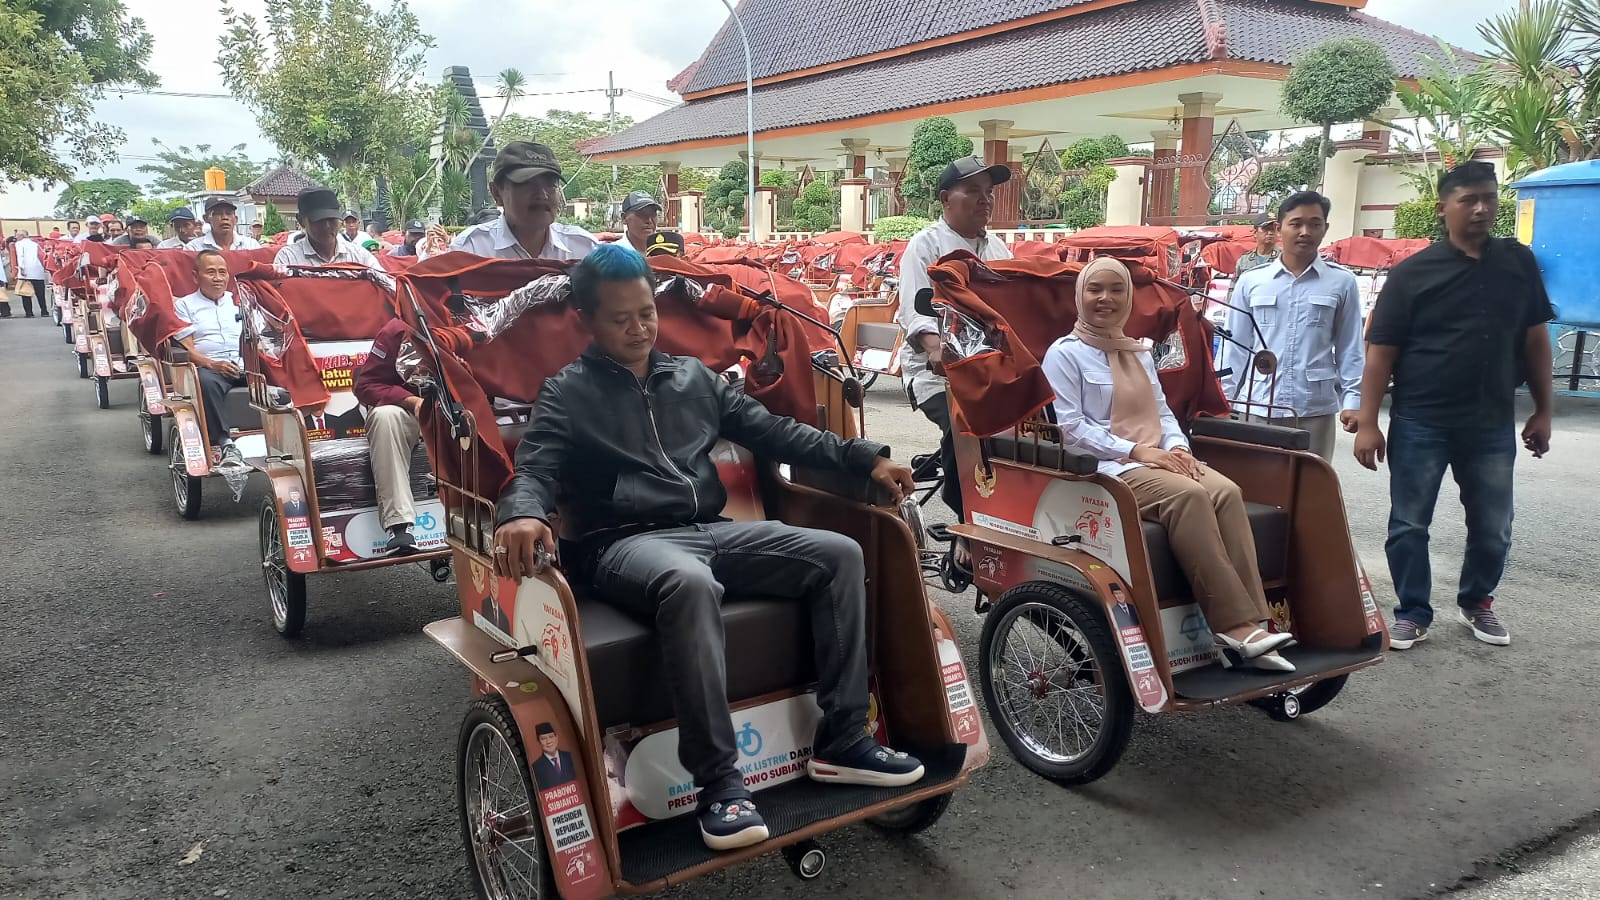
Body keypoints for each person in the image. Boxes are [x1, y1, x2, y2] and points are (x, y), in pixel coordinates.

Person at [493, 244, 925, 852]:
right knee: (688, 583)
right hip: (621, 544)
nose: (640, 328)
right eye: (621, 319)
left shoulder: (692, 378)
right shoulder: (566, 393)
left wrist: (866, 459)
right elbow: (533, 468)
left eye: (647, 313)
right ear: (587, 322)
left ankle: (844, 739)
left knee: (839, 554)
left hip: (711, 530)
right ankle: (720, 785)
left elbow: (776, 432)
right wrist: (522, 512)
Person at [1043, 256, 1295, 671]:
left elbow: (1162, 412)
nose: (1105, 298)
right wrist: (1136, 451)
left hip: (1158, 456)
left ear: (1128, 298)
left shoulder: (1139, 351)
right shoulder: (1064, 355)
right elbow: (1071, 429)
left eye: (1116, 290)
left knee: (1227, 491)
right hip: (1107, 467)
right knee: (1190, 496)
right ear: (1079, 295)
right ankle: (1232, 626)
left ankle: (1257, 623)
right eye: (1095, 289)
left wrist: (1178, 449)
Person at [1355, 161, 1555, 650]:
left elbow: (1535, 340)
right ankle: (1412, 611)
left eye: (1489, 198)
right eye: (1469, 200)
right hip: (1420, 418)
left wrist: (1544, 410)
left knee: (1493, 525)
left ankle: (1477, 600)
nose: (1482, 208)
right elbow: (1381, 352)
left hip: (1489, 422)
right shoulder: (1411, 274)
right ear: (1444, 208)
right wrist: (1367, 422)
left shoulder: (1518, 263)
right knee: (1409, 523)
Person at [896, 155, 1014, 528]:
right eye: (973, 191)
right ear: (946, 198)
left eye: (989, 192)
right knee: (965, 426)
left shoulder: (1000, 251)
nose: (985, 200)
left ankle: (1014, 512)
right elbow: (916, 312)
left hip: (992, 372)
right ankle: (969, 521)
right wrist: (935, 349)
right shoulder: (925, 246)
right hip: (939, 376)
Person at [1220, 191, 1364, 462]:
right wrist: (1222, 398)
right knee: (1257, 489)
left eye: (1314, 224)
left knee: (1310, 488)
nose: (1305, 231)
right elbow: (1234, 345)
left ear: (1325, 229)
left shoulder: (1341, 283)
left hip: (1313, 408)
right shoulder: (1252, 281)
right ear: (1279, 229)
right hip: (1259, 403)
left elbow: (1350, 347)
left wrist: (1353, 401)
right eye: (1296, 223)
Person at [447, 142, 599, 260]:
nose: (542, 195)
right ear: (496, 193)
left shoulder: (585, 249)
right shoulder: (470, 249)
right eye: (527, 183)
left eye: (550, 184)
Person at [353, 317, 427, 554]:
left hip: (458, 410)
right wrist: (411, 402)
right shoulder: (397, 330)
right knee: (384, 417)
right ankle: (400, 527)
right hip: (414, 413)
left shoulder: (472, 321)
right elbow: (366, 385)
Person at [173, 250, 249, 468]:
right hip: (210, 366)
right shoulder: (184, 305)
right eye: (211, 272)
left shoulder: (240, 301)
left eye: (223, 272)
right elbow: (187, 349)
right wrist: (213, 364)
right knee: (205, 382)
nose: (218, 278)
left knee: (279, 380)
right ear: (196, 276)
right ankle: (225, 443)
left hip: (243, 364)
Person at [274, 188, 387, 277]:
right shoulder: (288, 259)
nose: (327, 226)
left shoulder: (359, 256)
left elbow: (387, 284)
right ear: (301, 221)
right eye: (319, 221)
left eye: (332, 219)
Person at [188, 198, 261, 251]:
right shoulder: (194, 249)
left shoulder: (252, 246)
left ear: (236, 219)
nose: (224, 217)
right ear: (206, 218)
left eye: (229, 213)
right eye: (218, 213)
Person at [1233, 212, 1279, 285]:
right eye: (1266, 229)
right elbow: (1234, 287)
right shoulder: (1244, 260)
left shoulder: (1285, 258)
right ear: (1255, 233)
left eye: (1273, 229)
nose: (1270, 233)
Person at [13, 231, 48, 318]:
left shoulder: (19, 244)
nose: (16, 237)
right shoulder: (36, 243)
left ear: (21, 236)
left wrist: (21, 268)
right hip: (38, 270)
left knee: (25, 293)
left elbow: (20, 256)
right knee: (40, 293)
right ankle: (44, 311)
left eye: (17, 236)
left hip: (26, 270)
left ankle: (29, 312)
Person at [531, 723, 576, 789]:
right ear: (539, 742)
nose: (548, 741)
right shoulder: (536, 767)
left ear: (556, 738)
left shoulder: (570, 757)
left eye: (551, 737)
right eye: (543, 739)